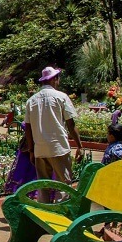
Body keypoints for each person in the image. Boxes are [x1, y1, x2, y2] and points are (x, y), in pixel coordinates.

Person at [24, 66, 83, 203]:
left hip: (40, 149)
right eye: (58, 78)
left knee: (43, 185)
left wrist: (32, 151)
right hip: (58, 147)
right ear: (54, 79)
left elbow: (28, 128)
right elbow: (71, 124)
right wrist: (80, 146)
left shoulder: (31, 101)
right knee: (64, 185)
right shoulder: (61, 97)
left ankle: (44, 214)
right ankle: (61, 213)